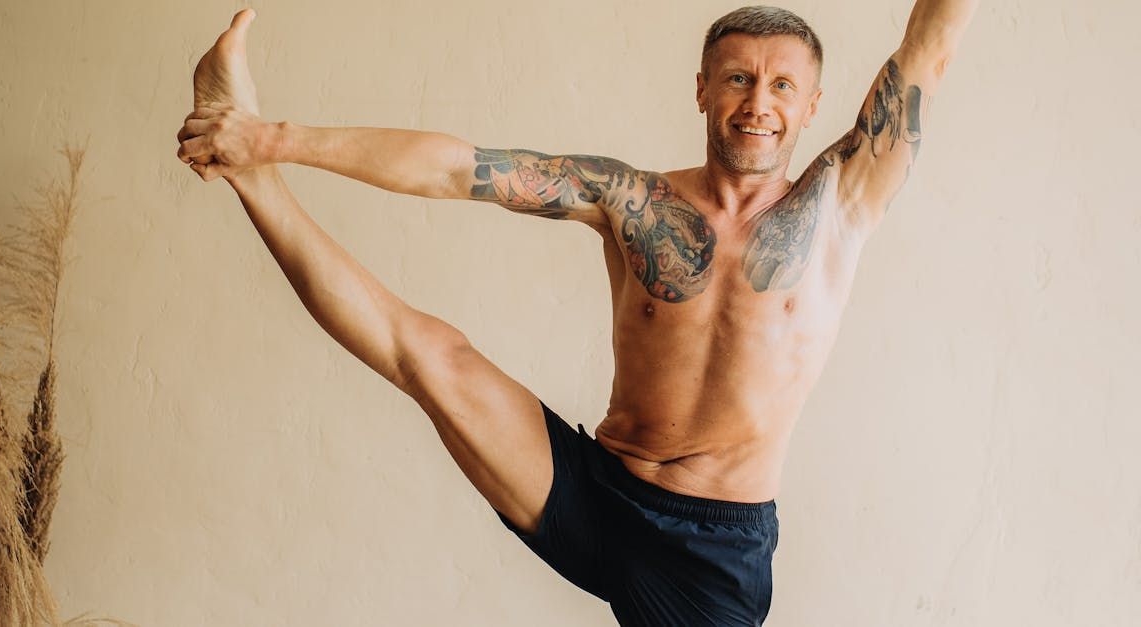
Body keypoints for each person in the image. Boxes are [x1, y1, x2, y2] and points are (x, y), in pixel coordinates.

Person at [175, 3, 978, 625]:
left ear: (811, 106)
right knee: (427, 353)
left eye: (779, 85)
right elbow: (459, 170)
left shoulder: (841, 202)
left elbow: (929, 46)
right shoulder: (629, 198)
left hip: (713, 548)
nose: (755, 102)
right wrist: (272, 138)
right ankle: (245, 163)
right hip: (596, 487)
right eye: (736, 78)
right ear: (701, 87)